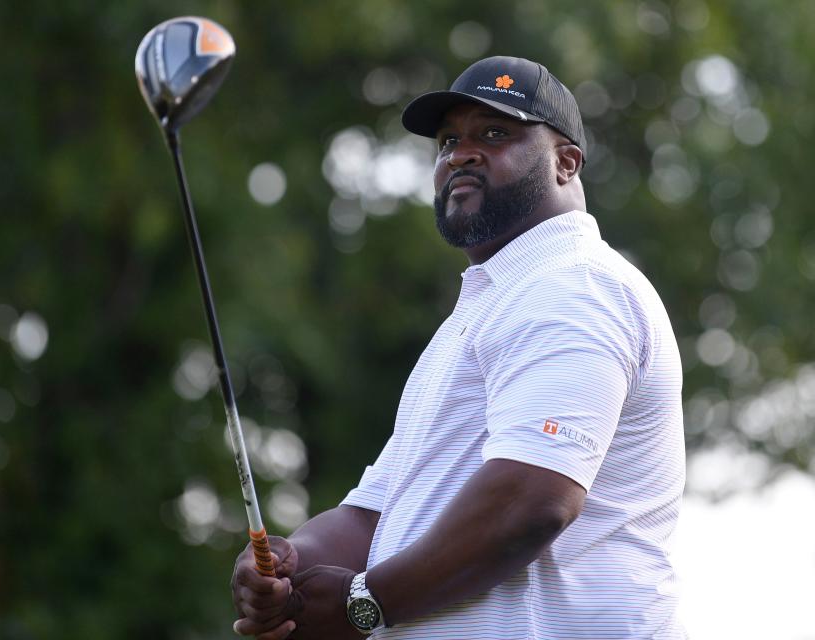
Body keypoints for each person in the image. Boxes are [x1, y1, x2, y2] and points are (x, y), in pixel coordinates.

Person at [231, 55, 686, 639]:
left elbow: (531, 498)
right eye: (448, 140)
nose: (462, 153)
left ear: (566, 163)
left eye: (496, 134)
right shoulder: (487, 310)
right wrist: (285, 569)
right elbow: (375, 512)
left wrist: (365, 604)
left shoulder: (577, 286)